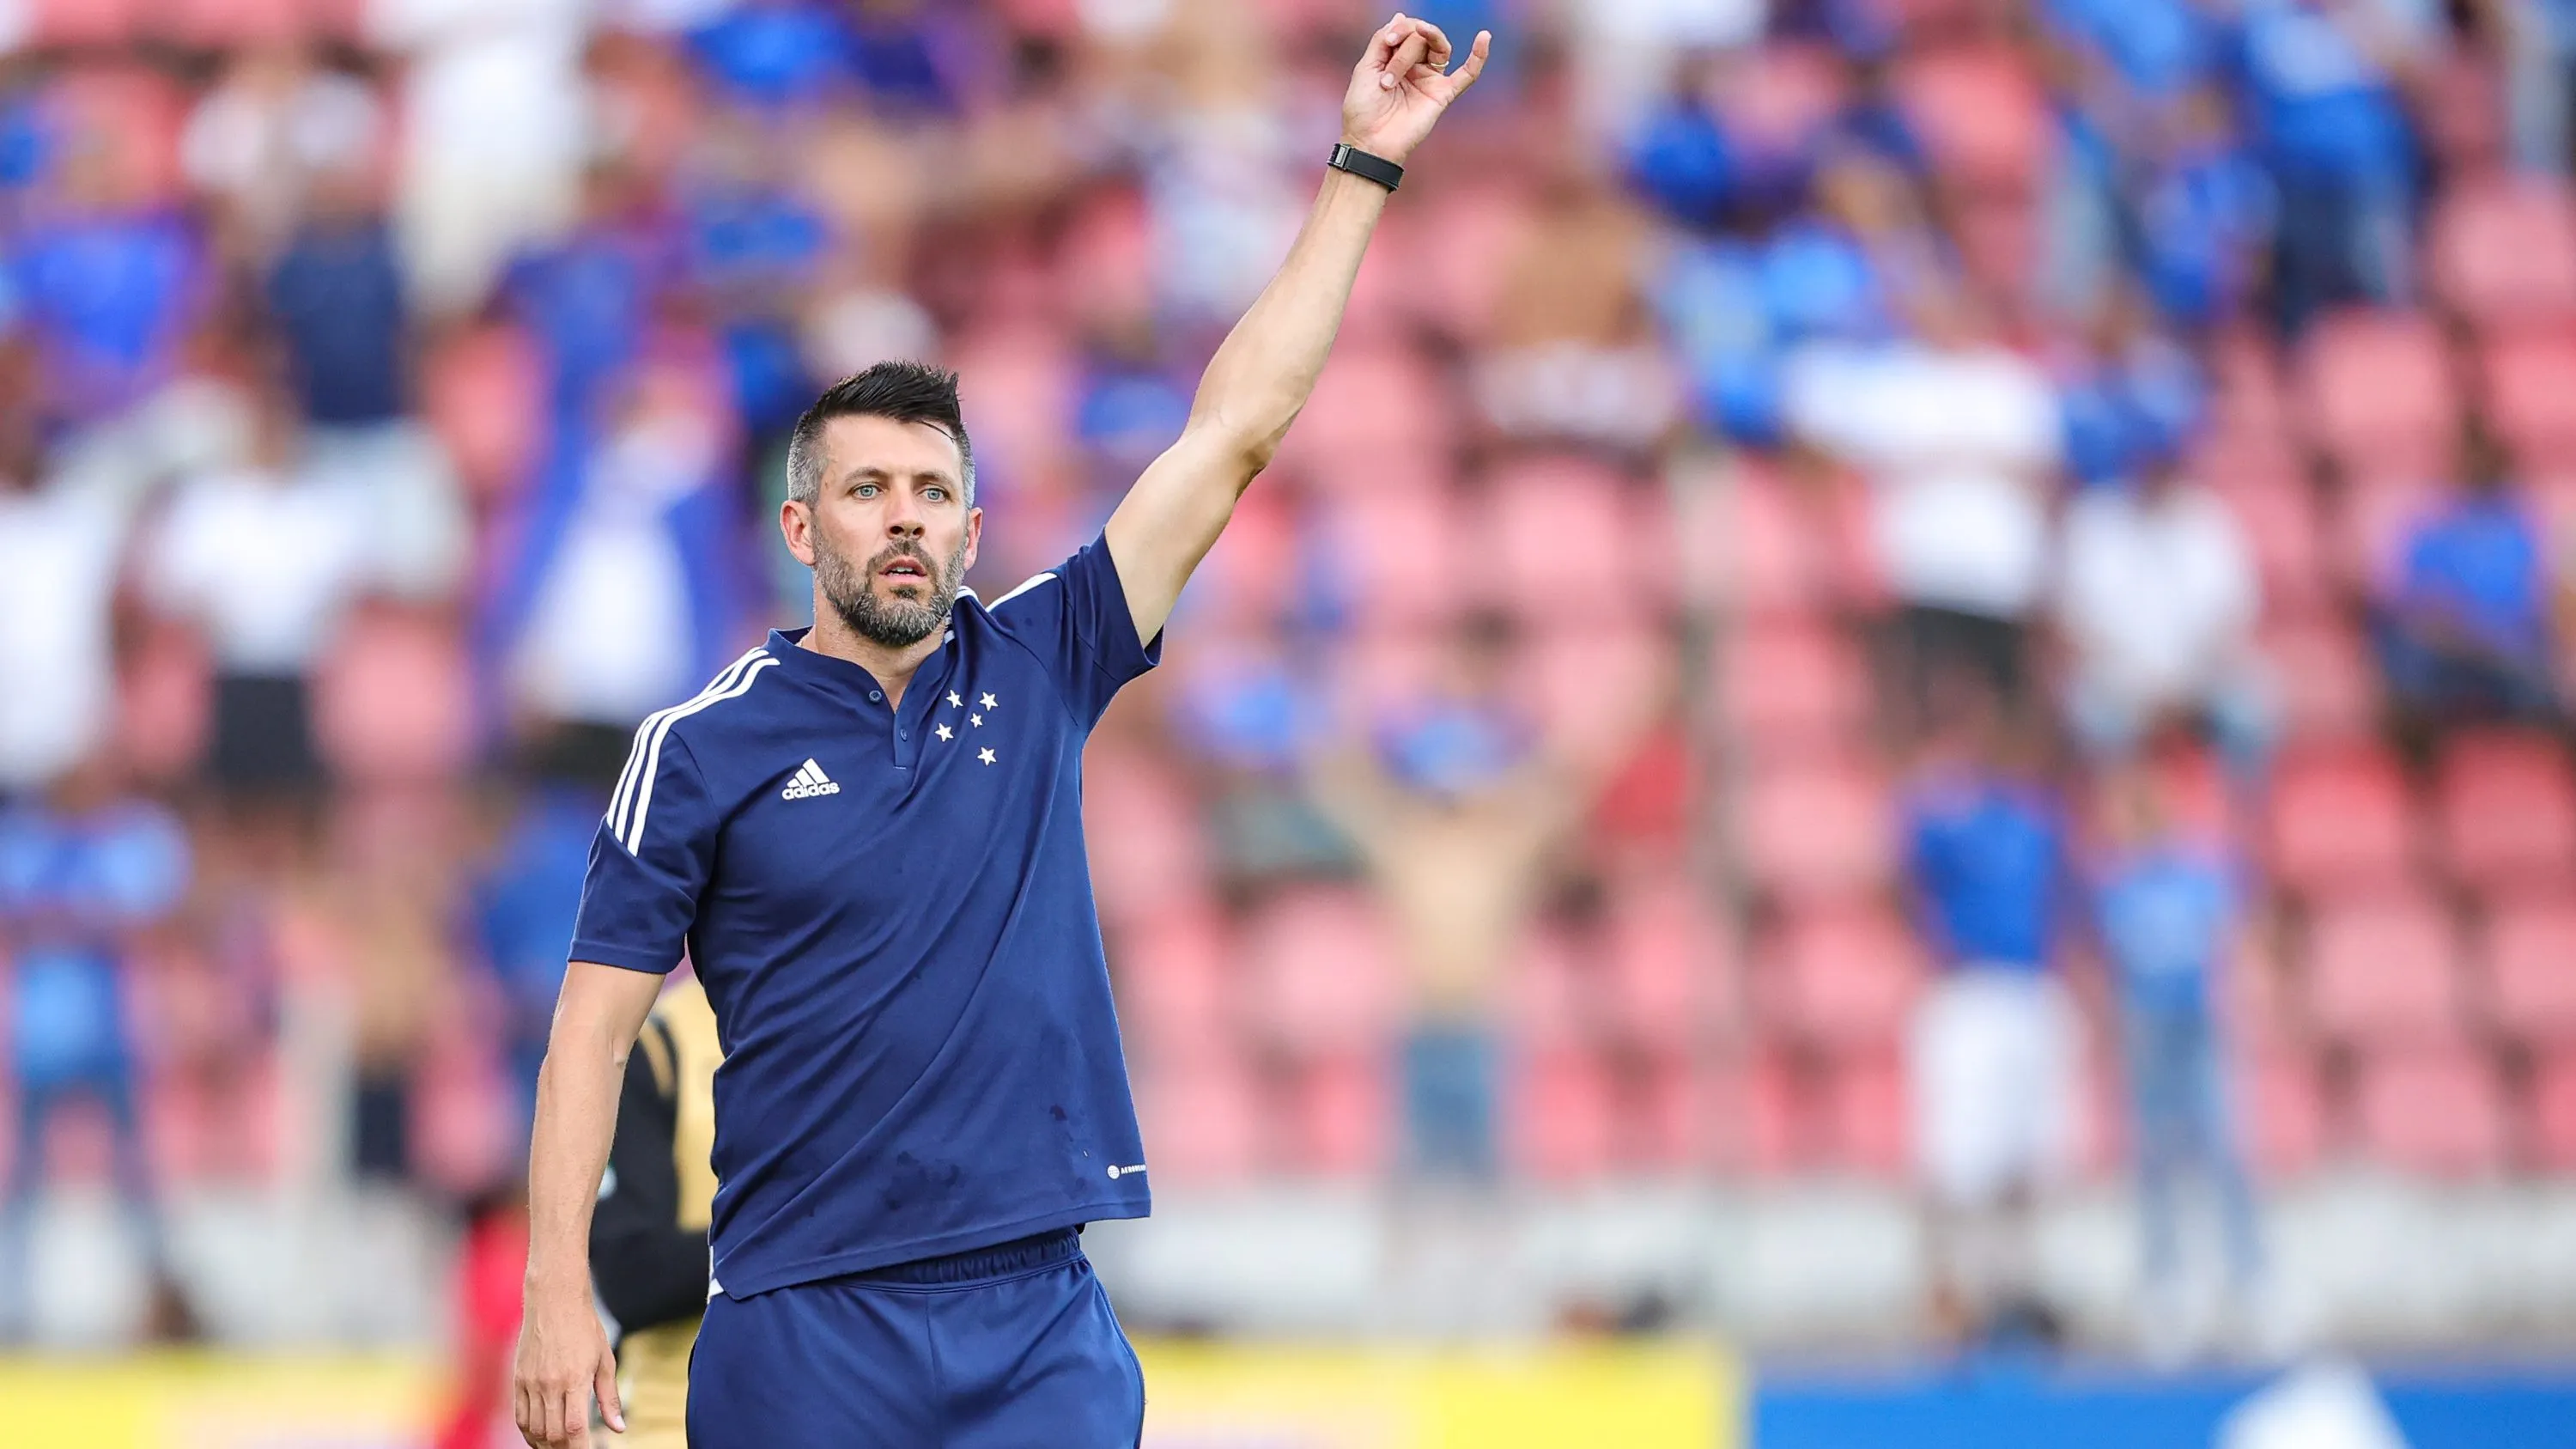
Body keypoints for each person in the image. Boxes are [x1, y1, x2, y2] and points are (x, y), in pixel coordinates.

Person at [511, 19, 1489, 1449]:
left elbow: (1234, 433)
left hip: (1036, 1317)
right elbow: (589, 1035)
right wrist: (554, 1295)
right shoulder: (700, 746)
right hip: (801, 1320)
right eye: (864, 490)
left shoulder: (1041, 659)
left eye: (929, 489)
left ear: (972, 527)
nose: (901, 515)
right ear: (800, 527)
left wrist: (1360, 168)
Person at [1901, 685, 2078, 1348]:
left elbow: (2067, 901)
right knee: (1955, 1159)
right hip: (1968, 989)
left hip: (2032, 989)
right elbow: (1905, 872)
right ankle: (1946, 1292)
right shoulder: (1942, 813)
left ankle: (2012, 1292)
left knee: (2023, 1161)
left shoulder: (2042, 818)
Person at [0, 752, 195, 1342]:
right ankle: (12, 1307)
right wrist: (85, 915)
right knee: (24, 1182)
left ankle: (162, 1298)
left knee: (136, 1178)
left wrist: (64, 916)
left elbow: (150, 910)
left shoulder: (129, 837)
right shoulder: (26, 840)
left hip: (114, 1035)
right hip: (42, 1036)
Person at [2089, 766, 2265, 1362]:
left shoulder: (2199, 876)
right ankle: (2165, 1288)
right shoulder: (2114, 886)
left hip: (2198, 1029)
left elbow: (2235, 942)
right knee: (2155, 1165)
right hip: (2147, 1033)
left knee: (2225, 1154)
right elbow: (2102, 963)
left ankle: (2250, 1281)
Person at [2054, 432, 2272, 782]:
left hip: (2201, 677)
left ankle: (2245, 824)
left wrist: (2187, 683)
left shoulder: (2208, 518)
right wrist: (2138, 684)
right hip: (2118, 679)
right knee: (2093, 718)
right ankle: (2121, 820)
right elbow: (2077, 625)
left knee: (2250, 713)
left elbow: (2231, 618)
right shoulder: (2093, 522)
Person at [587, 976, 721, 1449]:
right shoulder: (659, 1042)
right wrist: (790, 1243)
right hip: (673, 1424)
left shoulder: (872, 1023)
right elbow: (632, 1273)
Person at [2374, 447, 2560, 734]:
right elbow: (2413, 603)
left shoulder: (2521, 529)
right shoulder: (2429, 529)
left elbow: (2537, 605)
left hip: (2509, 655)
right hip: (2449, 654)